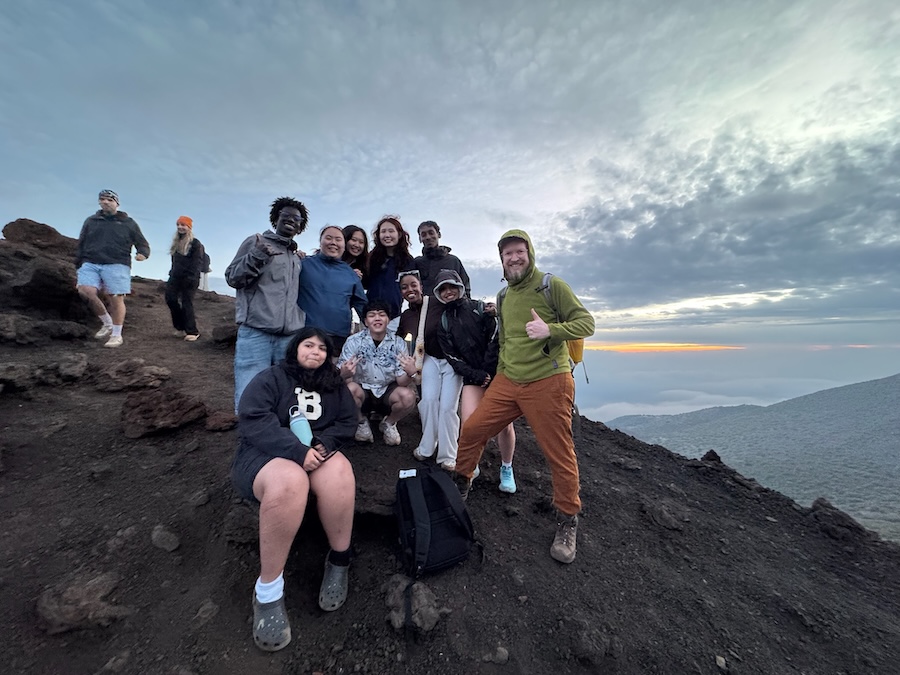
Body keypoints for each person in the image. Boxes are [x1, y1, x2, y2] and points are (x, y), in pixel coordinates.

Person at [453, 230, 595, 564]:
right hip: (508, 380)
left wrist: (551, 330)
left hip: (549, 380)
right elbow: (507, 340)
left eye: (519, 252)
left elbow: (586, 322)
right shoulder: (503, 296)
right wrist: (500, 372)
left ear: (529, 253)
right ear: (501, 261)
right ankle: (460, 486)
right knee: (472, 431)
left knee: (558, 453)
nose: (514, 258)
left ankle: (567, 518)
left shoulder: (550, 285)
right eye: (507, 255)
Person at [231, 327, 357, 652]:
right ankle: (268, 592)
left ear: (329, 356)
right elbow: (253, 417)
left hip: (316, 452)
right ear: (295, 349)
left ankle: (340, 560)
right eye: (308, 345)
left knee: (340, 470)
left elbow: (346, 422)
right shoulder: (273, 378)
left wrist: (322, 446)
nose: (314, 352)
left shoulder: (335, 385)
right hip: (266, 456)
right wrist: (296, 451)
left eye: (321, 348)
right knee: (291, 480)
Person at [225, 196, 307, 413]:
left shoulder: (297, 258)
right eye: (285, 216)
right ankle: (248, 441)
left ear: (300, 227)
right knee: (250, 390)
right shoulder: (256, 242)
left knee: (285, 391)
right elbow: (233, 278)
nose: (290, 220)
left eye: (296, 219)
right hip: (256, 332)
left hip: (288, 337)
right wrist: (257, 256)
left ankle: (275, 438)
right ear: (275, 218)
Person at [437, 272, 517, 492]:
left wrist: (488, 371)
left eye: (451, 286)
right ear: (438, 294)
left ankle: (507, 468)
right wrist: (477, 375)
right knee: (469, 423)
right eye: (443, 289)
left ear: (460, 287)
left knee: (504, 425)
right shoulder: (443, 322)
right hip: (474, 377)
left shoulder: (481, 308)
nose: (448, 291)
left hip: (497, 373)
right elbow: (452, 357)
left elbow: (496, 338)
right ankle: (473, 463)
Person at [398, 270, 463, 470]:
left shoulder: (437, 302)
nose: (410, 290)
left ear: (421, 286)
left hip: (451, 360)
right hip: (430, 360)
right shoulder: (406, 316)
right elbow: (405, 341)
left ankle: (448, 455)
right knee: (427, 402)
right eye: (404, 287)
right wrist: (410, 365)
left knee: (447, 408)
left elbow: (462, 309)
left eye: (413, 285)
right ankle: (427, 446)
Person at [75, 189, 150, 348]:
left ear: (117, 203)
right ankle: (107, 322)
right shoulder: (91, 221)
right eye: (102, 199)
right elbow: (82, 242)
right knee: (85, 290)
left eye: (109, 199)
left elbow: (142, 243)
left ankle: (116, 335)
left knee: (115, 297)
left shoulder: (128, 223)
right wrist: (79, 263)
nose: (105, 202)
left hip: (117, 263)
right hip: (90, 262)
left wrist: (143, 254)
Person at [337, 301, 417, 446]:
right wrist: (344, 373)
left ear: (388, 319)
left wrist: (411, 373)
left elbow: (401, 382)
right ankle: (361, 421)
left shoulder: (399, 343)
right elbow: (343, 376)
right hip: (363, 391)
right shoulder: (353, 342)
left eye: (382, 314)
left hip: (387, 391)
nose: (377, 318)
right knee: (348, 390)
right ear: (366, 321)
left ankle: (389, 423)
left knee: (408, 396)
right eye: (372, 315)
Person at [297, 226, 367, 354]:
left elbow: (363, 307)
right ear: (320, 241)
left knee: (332, 374)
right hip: (304, 335)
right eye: (328, 238)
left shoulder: (351, 274)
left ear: (344, 245)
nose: (333, 242)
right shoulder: (303, 264)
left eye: (338, 239)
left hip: (337, 339)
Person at [365, 216, 414, 321]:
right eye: (383, 232)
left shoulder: (408, 261)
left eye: (391, 231)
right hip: (370, 315)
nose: (387, 235)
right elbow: (364, 283)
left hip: (394, 316)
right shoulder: (371, 258)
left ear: (399, 234)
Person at [164, 215, 205, 342]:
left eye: (183, 225)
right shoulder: (176, 243)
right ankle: (180, 326)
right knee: (170, 299)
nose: (180, 227)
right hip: (175, 277)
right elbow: (175, 261)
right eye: (178, 225)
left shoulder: (195, 243)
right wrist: (172, 273)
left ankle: (192, 331)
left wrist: (191, 277)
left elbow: (197, 262)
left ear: (189, 227)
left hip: (190, 278)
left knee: (187, 302)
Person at [413, 220, 471, 297]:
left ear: (439, 235)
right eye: (423, 235)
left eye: (431, 233)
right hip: (425, 307)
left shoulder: (453, 261)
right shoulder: (417, 263)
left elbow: (465, 287)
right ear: (420, 239)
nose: (428, 237)